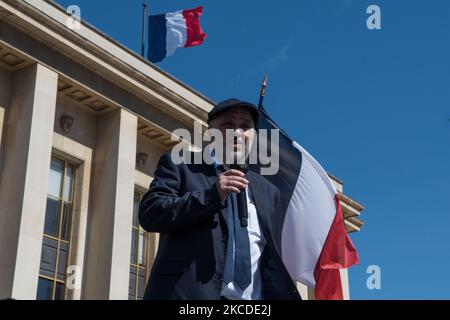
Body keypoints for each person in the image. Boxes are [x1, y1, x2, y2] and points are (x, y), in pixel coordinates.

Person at [139, 98, 301, 300]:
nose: (238, 133)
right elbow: (150, 213)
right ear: (210, 132)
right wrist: (212, 195)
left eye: (245, 126)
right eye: (228, 125)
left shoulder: (269, 191)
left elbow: (271, 256)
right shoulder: (181, 165)